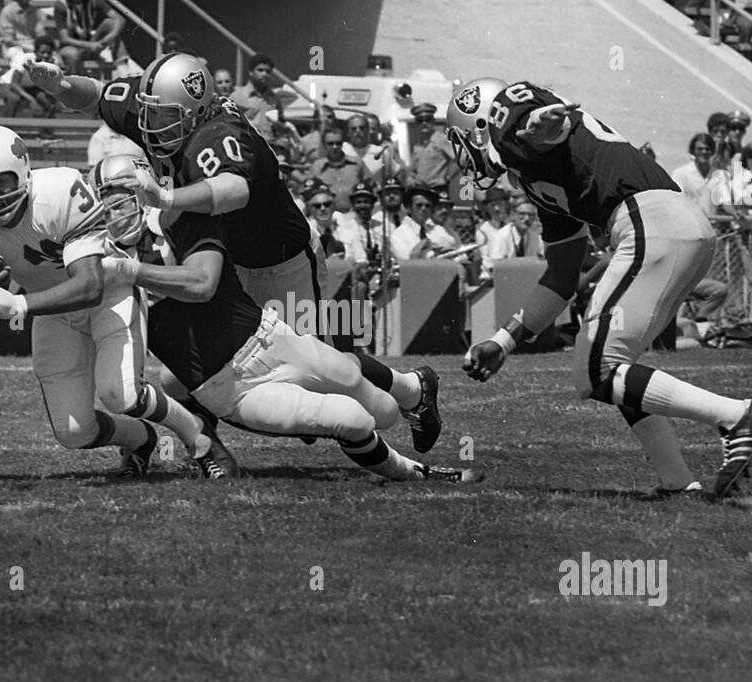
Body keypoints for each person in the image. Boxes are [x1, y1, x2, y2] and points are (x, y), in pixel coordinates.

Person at [24, 52, 444, 451]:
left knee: (320, 366)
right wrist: (61, 85)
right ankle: (208, 452)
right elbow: (97, 96)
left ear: (199, 110)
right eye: (149, 112)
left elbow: (234, 189)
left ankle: (411, 389)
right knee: (204, 364)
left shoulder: (219, 133)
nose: (151, 125)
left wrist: (167, 200)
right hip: (228, 258)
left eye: (166, 117)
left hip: (278, 259)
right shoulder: (159, 103)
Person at [449, 77, 752, 500]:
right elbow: (562, 276)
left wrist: (533, 121)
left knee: (595, 369)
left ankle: (735, 416)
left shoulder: (518, 125)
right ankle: (677, 481)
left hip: (650, 222)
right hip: (672, 229)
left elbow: (533, 112)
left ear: (479, 124)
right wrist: (503, 341)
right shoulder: (533, 177)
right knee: (615, 366)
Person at [85, 156, 477, 482]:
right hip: (231, 388)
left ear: (146, 190)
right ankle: (416, 472)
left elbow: (201, 283)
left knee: (384, 411)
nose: (116, 211)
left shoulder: (180, 221)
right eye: (107, 202)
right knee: (354, 420)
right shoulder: (92, 259)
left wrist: (131, 272)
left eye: (124, 197)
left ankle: (413, 389)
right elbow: (117, 354)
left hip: (272, 339)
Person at [0, 128, 237, 479]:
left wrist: (17, 305)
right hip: (52, 310)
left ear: (24, 172)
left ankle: (198, 436)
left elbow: (89, 285)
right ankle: (139, 440)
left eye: (0, 181)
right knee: (74, 433)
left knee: (123, 395)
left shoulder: (61, 192)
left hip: (107, 294)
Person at [53, 0, 126, 76]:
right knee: (72, 54)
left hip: (91, 42)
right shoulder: (61, 5)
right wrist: (90, 45)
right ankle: (74, 85)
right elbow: (64, 38)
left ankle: (123, 70)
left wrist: (109, 38)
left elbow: (120, 19)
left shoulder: (93, 0)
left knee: (110, 23)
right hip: (70, 46)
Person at [228, 52, 281, 134]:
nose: (264, 74)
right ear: (251, 72)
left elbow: (281, 124)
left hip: (270, 144)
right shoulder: (237, 96)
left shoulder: (274, 99)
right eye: (260, 70)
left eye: (268, 71)